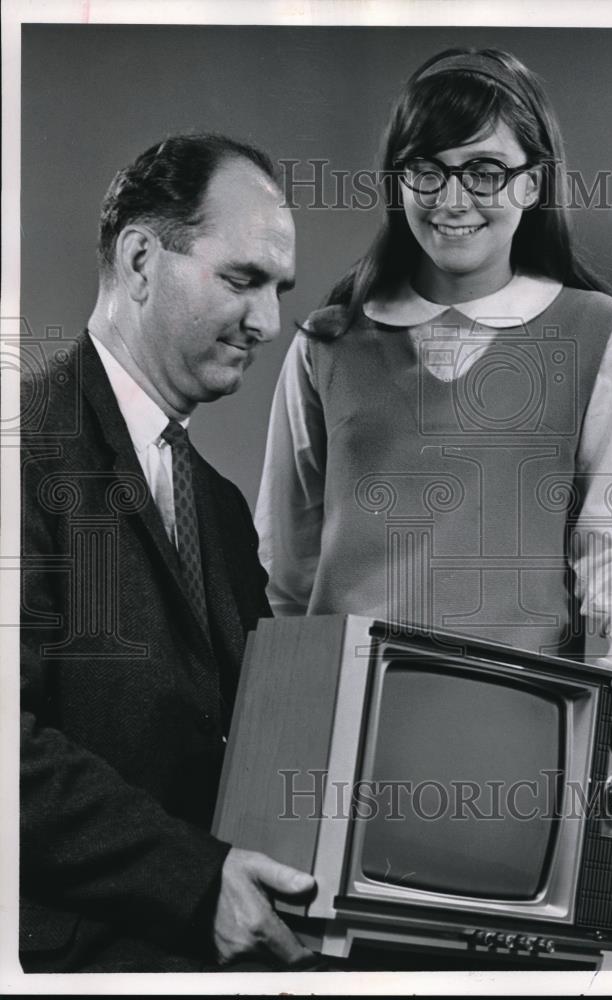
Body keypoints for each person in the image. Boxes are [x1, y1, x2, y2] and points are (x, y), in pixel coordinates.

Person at [256, 49, 612, 736]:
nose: (451, 200)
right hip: (342, 720)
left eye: (484, 171)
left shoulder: (594, 332)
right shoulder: (326, 343)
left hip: (514, 723)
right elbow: (286, 568)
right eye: (426, 170)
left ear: (531, 182)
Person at [20, 133, 318, 973]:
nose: (267, 322)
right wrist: (195, 884)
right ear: (143, 258)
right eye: (242, 279)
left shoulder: (219, 510)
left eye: (277, 290)